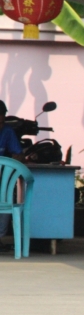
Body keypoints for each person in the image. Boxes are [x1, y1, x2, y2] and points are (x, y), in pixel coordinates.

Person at [0, 99, 24, 251]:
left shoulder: (7, 131)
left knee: (6, 200)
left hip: (2, 179)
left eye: (1, 122)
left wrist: (12, 160)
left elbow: (18, 155)